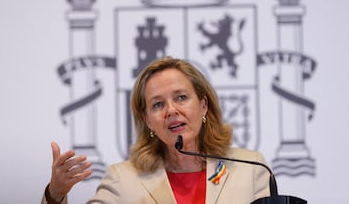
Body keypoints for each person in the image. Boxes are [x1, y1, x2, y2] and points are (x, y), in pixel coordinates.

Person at [42, 56, 270, 204]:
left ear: (203, 105)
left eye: (181, 97)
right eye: (158, 104)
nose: (171, 110)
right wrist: (55, 195)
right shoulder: (123, 179)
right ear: (148, 120)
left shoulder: (250, 169)